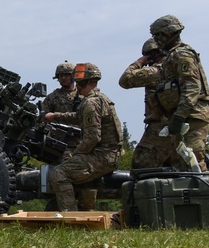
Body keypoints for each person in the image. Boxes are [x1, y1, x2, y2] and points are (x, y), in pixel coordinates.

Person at [43, 63, 123, 211]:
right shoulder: (99, 98)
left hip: (101, 155)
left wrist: (77, 154)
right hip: (106, 153)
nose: (75, 83)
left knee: (59, 174)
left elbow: (92, 138)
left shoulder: (90, 102)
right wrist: (55, 116)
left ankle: (72, 217)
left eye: (78, 80)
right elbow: (78, 116)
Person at [149, 15, 209, 170]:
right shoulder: (171, 56)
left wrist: (179, 117)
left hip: (193, 115)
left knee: (193, 161)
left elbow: (191, 88)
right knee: (180, 163)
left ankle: (204, 193)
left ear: (169, 33)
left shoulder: (182, 54)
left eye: (158, 35)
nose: (156, 40)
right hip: (182, 116)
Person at [118, 38, 172, 169]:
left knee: (141, 165)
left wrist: (139, 62)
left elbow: (124, 80)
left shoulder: (157, 71)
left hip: (161, 127)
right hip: (176, 124)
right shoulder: (174, 68)